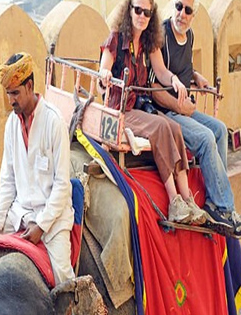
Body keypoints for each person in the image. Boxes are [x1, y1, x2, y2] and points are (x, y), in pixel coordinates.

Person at [149, 0, 241, 238]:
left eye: (187, 10)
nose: (181, 14)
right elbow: (153, 83)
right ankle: (227, 209)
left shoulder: (190, 35)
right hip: (166, 112)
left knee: (219, 129)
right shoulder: (161, 35)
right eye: (178, 7)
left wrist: (196, 77)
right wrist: (178, 105)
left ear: (193, 15)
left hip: (184, 109)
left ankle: (215, 205)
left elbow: (184, 67)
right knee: (206, 138)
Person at [99, 0, 207, 225]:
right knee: (160, 127)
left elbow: (161, 71)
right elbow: (103, 69)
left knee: (174, 127)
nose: (141, 16)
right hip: (120, 109)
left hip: (139, 105)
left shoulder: (148, 41)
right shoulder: (116, 38)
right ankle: (173, 200)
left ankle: (188, 199)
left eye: (147, 13)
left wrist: (175, 80)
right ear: (129, 11)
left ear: (152, 16)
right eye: (137, 10)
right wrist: (105, 76)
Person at [0, 53, 75, 284]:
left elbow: (62, 185)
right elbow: (8, 180)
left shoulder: (54, 122)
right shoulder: (11, 124)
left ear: (29, 86)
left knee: (63, 278)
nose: (11, 100)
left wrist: (41, 226)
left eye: (15, 93)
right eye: (8, 94)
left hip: (52, 219)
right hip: (20, 214)